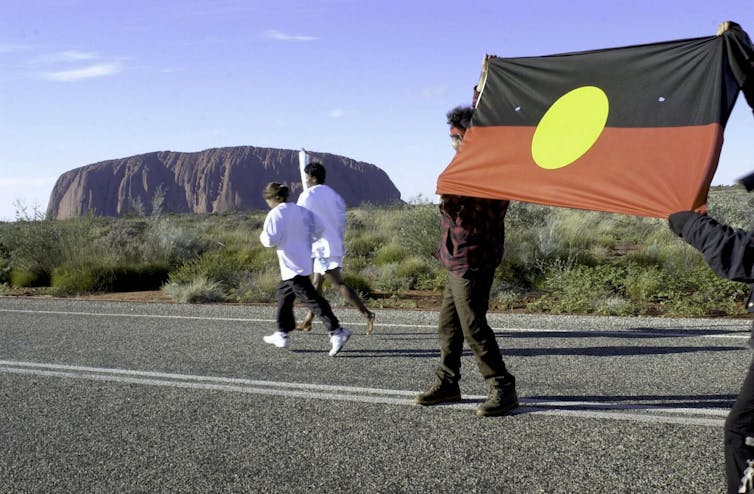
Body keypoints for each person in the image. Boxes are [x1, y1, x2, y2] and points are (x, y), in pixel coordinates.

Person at [415, 105, 519, 417]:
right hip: (455, 255)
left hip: (474, 255)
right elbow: (484, 106)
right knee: (449, 325)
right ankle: (448, 382)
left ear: (472, 139)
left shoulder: (488, 168)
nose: (453, 144)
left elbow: (484, 120)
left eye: (457, 138)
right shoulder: (469, 163)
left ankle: (502, 386)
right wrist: (483, 82)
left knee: (473, 324)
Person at [259, 182, 352, 357]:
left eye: (268, 199)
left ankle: (337, 331)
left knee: (311, 299)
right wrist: (307, 238)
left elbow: (270, 240)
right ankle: (282, 332)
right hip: (303, 260)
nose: (268, 202)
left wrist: (264, 236)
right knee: (283, 295)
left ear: (275, 197)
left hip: (291, 263)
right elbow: (320, 228)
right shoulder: (301, 211)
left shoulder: (276, 214)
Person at [295, 161, 376, 334]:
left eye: (307, 177)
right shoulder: (334, 195)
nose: (306, 180)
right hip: (333, 244)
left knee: (338, 284)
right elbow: (339, 219)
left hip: (323, 247)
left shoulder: (307, 195)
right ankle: (308, 321)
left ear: (313, 177)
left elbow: (300, 218)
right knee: (316, 284)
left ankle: (367, 314)